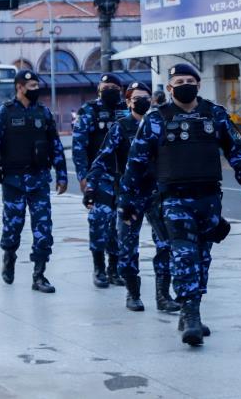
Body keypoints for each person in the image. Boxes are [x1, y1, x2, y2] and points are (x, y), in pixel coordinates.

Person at [119, 63, 241, 346]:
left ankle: (191, 309)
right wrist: (128, 199)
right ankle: (191, 315)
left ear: (198, 84)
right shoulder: (156, 119)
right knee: (183, 256)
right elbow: (136, 162)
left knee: (202, 258)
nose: (184, 84)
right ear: (169, 88)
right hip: (173, 199)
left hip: (208, 199)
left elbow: (236, 150)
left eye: (189, 80)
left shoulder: (214, 114)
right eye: (178, 81)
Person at [85, 82, 180, 312]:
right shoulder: (120, 127)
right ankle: (133, 293)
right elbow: (102, 158)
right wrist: (91, 188)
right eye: (137, 97)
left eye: (146, 97)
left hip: (157, 194)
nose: (142, 101)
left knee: (165, 245)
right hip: (129, 195)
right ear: (128, 102)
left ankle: (162, 295)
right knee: (128, 246)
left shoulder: (159, 124)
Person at [0, 70, 67, 293]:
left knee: (43, 229)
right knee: (13, 227)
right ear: (19, 87)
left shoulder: (43, 113)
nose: (35, 89)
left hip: (39, 180)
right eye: (31, 85)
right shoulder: (5, 112)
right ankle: (9, 256)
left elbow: (55, 144)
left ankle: (39, 275)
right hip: (13, 181)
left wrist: (62, 173)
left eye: (37, 85)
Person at [73, 72, 128, 287]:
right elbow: (79, 146)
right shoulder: (89, 111)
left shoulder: (127, 110)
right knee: (99, 220)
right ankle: (99, 268)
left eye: (114, 88)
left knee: (119, 224)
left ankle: (114, 269)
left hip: (123, 176)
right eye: (106, 87)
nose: (110, 91)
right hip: (99, 176)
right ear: (99, 89)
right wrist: (83, 176)